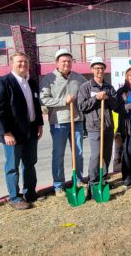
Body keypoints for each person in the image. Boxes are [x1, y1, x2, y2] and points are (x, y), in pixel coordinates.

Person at [0, 52, 44, 210]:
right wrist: (5, 132)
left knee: (30, 164)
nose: (23, 65)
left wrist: (39, 124)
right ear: (11, 63)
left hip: (31, 132)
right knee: (12, 166)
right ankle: (15, 197)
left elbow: (36, 106)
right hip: (12, 134)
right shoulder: (3, 82)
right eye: (20, 62)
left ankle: (31, 193)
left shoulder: (32, 83)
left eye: (26, 62)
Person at [40, 49, 87, 197]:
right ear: (57, 63)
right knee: (58, 155)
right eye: (63, 61)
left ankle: (78, 180)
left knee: (78, 154)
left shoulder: (79, 77)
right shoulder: (49, 78)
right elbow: (44, 99)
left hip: (77, 121)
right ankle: (58, 185)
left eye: (69, 61)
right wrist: (63, 101)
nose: (66, 63)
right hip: (59, 122)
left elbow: (87, 91)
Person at [78, 57, 121, 191]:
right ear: (92, 70)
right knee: (96, 155)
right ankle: (93, 182)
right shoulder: (85, 87)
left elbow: (117, 107)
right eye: (97, 68)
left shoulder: (109, 88)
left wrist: (108, 98)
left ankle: (103, 179)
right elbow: (82, 106)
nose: (99, 71)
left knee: (106, 155)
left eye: (102, 68)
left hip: (108, 126)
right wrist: (96, 98)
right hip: (94, 127)